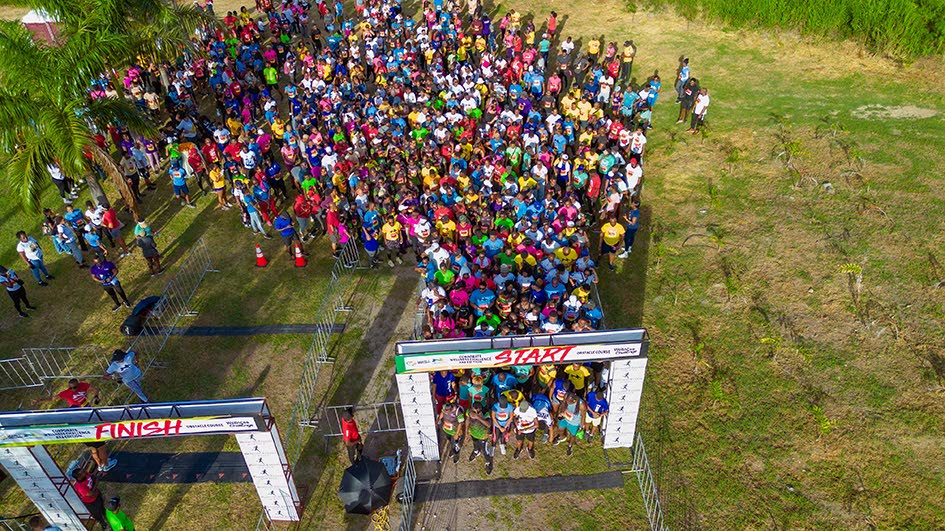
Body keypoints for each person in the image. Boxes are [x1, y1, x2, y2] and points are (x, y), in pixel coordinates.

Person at [552, 392, 586, 456]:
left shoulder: (582, 405)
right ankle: (561, 437)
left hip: (574, 422)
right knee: (560, 428)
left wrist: (581, 426)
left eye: (569, 402)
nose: (567, 403)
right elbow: (563, 404)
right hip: (565, 417)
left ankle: (570, 446)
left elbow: (583, 416)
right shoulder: (566, 396)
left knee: (572, 435)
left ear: (574, 401)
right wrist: (561, 412)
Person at [465, 402, 493, 474]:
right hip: (473, 432)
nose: (473, 412)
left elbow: (489, 424)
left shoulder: (485, 413)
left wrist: (478, 417)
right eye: (473, 410)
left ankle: (488, 462)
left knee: (484, 450)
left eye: (475, 411)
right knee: (475, 444)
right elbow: (467, 420)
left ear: (479, 409)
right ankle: (476, 451)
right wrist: (466, 431)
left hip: (482, 435)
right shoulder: (469, 411)